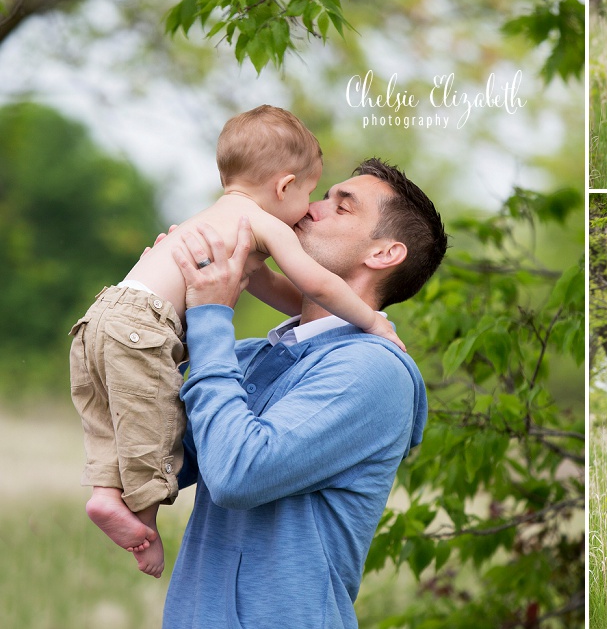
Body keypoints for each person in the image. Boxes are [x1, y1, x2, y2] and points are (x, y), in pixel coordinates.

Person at [69, 106, 403, 579]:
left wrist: (198, 306)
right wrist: (371, 320)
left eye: (340, 205)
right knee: (147, 414)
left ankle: (106, 492)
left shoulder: (216, 217)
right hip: (141, 325)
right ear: (284, 186)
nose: (311, 208)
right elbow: (321, 288)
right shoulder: (263, 226)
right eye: (313, 193)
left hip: (103, 314)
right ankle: (142, 518)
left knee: (112, 417)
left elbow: (282, 292)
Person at [161, 158, 447, 628]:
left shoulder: (374, 370)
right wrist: (156, 312)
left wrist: (212, 318)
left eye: (342, 207)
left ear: (382, 254)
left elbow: (238, 474)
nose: (310, 208)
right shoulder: (255, 355)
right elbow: (169, 463)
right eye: (323, 197)